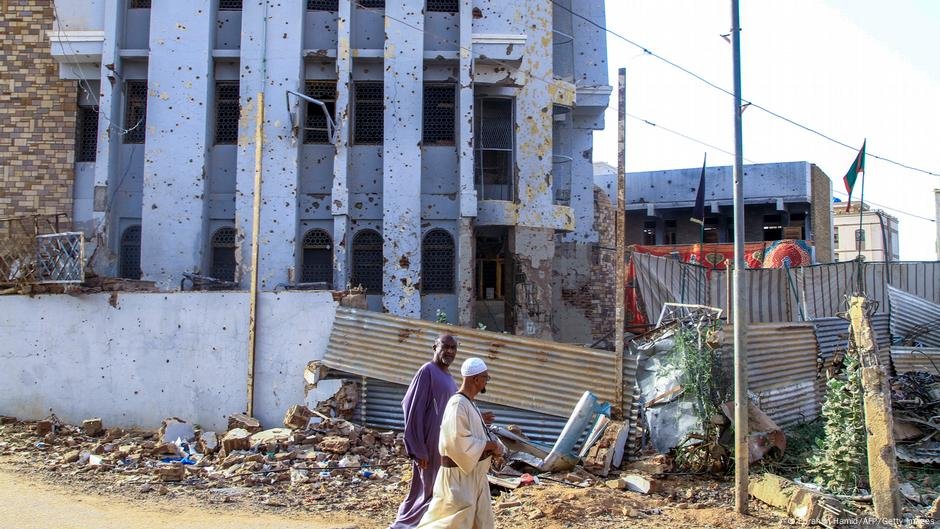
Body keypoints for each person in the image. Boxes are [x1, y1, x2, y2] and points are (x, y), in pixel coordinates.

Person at [417, 357, 502, 529]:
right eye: (486, 377)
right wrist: (490, 446)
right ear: (476, 379)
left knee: (480, 523)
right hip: (458, 480)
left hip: (473, 477)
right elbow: (457, 442)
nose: (487, 381)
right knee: (451, 523)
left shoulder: (469, 404)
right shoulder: (457, 404)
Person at [388, 334, 459, 529]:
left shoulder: (449, 377)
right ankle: (402, 525)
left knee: (432, 490)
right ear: (435, 347)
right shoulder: (427, 371)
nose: (450, 351)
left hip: (442, 446)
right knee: (425, 490)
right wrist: (417, 448)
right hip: (428, 445)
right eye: (446, 347)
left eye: (454, 348)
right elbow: (412, 409)